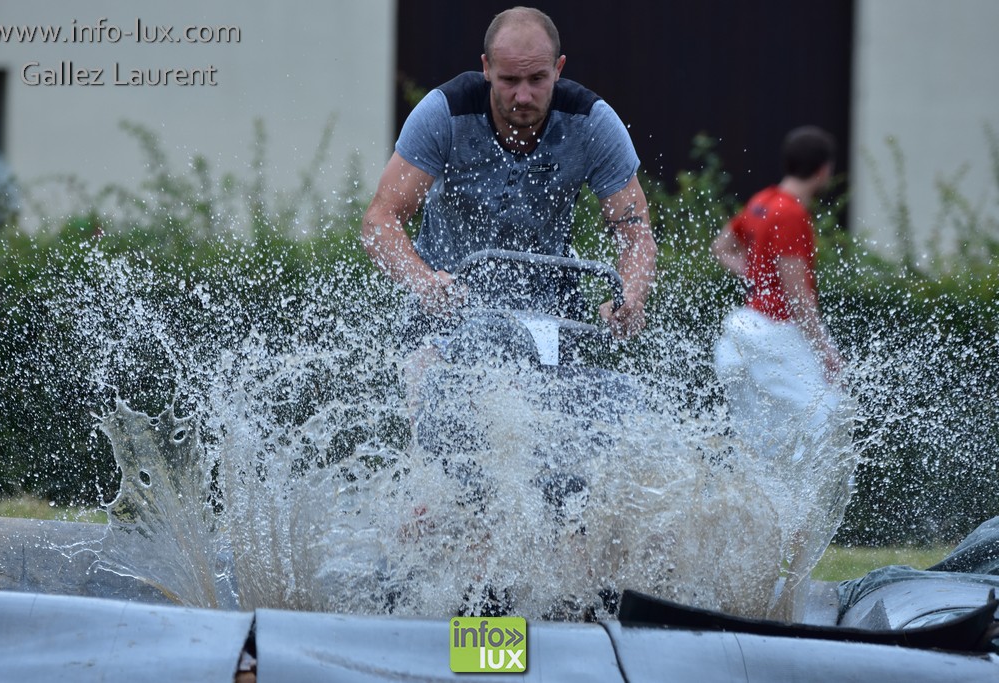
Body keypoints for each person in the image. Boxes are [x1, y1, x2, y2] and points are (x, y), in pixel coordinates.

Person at [361, 6, 656, 343]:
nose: (523, 96)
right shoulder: (444, 112)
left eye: (537, 79)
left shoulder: (592, 123)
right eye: (509, 80)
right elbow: (379, 220)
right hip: (445, 301)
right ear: (487, 68)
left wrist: (630, 299)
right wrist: (423, 282)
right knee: (425, 382)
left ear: (558, 69)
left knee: (568, 390)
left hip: (546, 310)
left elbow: (637, 235)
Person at [710, 125, 845, 464]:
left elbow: (721, 246)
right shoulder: (791, 214)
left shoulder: (762, 201)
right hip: (776, 333)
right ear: (823, 170)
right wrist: (824, 350)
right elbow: (798, 296)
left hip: (747, 327)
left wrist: (754, 273)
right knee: (827, 417)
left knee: (765, 434)